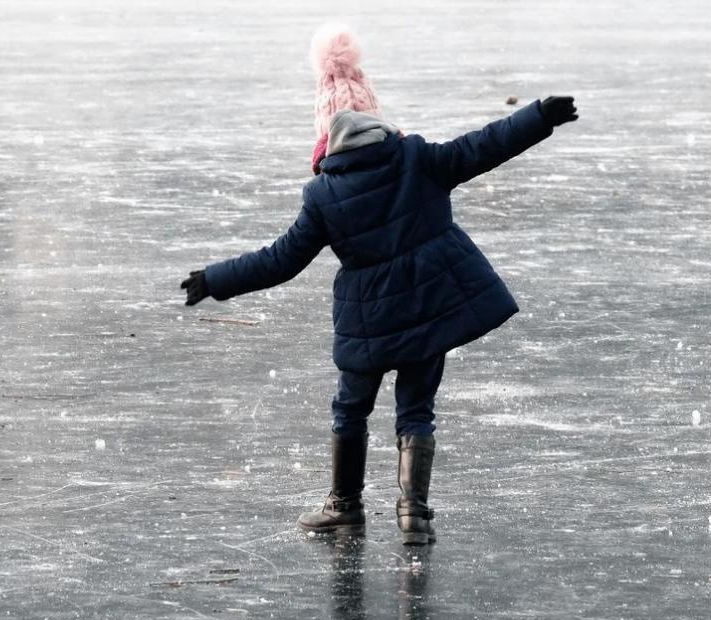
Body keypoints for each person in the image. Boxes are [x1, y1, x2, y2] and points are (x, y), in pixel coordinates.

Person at [181, 25, 578, 545]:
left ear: (325, 133)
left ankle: (344, 507)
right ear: (376, 118)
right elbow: (482, 147)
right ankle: (413, 515)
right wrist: (538, 117)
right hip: (429, 308)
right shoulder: (416, 158)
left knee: (351, 407)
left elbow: (280, 260)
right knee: (416, 408)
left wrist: (214, 279)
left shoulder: (323, 195)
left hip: (368, 322)